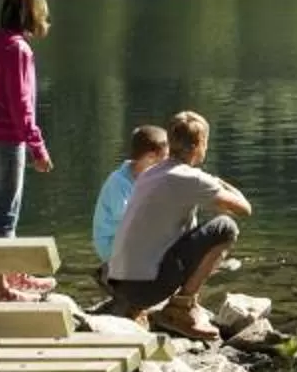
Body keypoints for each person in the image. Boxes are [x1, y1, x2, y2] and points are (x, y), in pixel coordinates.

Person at [105, 109, 249, 340]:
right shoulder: (191, 178)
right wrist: (216, 181)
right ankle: (181, 309)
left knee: (191, 227)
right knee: (225, 227)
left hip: (120, 283)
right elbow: (244, 209)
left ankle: (140, 309)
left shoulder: (150, 173)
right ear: (199, 145)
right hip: (146, 290)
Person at [0, 0, 57, 299]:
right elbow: (21, 103)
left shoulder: (0, 44)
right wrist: (37, 146)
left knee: (5, 202)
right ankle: (0, 287)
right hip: (8, 135)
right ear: (30, 15)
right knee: (6, 210)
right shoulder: (18, 50)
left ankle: (9, 272)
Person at [90, 121, 170, 276]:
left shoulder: (149, 177)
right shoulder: (118, 182)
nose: (168, 162)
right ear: (150, 157)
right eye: (165, 157)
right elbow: (131, 220)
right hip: (111, 244)